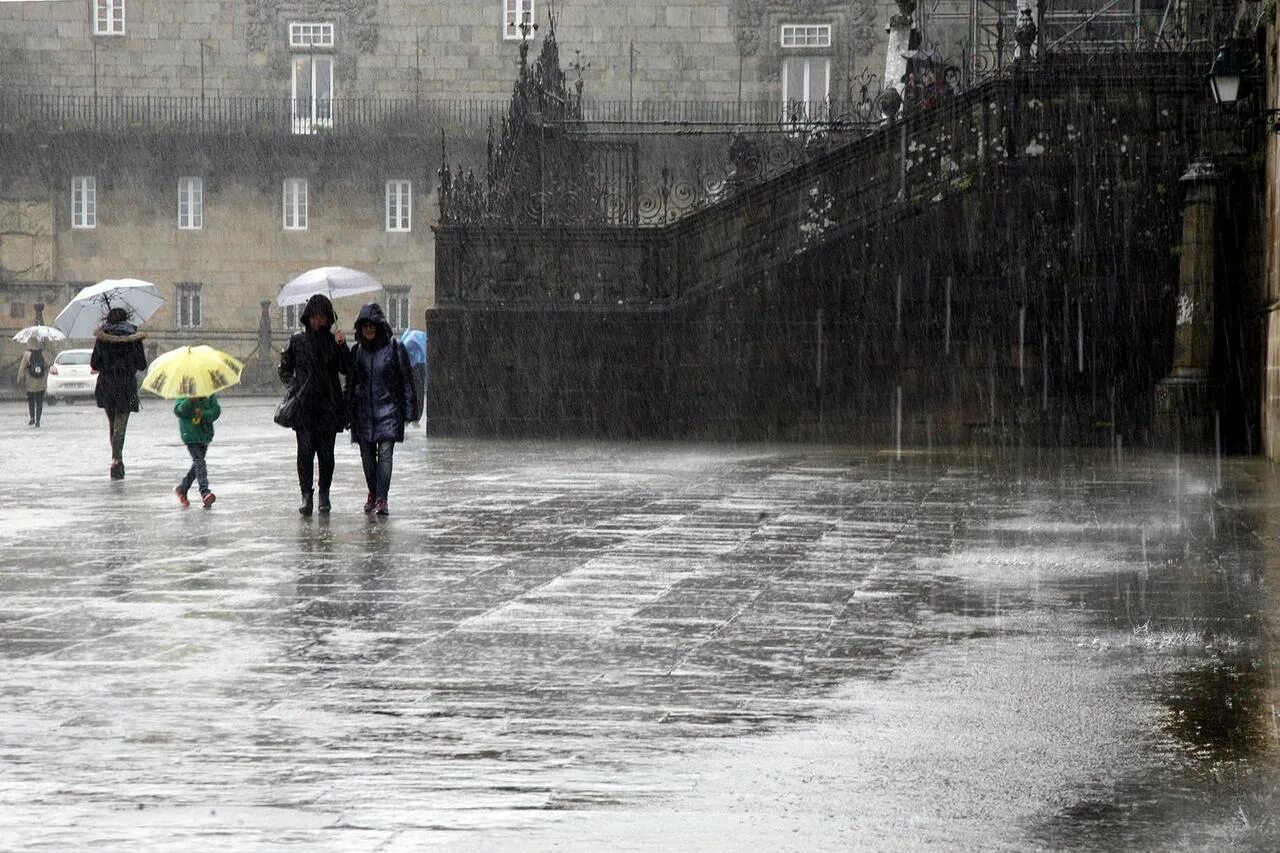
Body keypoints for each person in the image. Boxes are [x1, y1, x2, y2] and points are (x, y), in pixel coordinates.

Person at [278, 294, 349, 516]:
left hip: (328, 406)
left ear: (328, 318)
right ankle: (306, 494)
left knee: (326, 455)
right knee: (305, 453)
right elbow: (284, 369)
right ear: (308, 317)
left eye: (322, 317)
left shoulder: (333, 341)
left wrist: (343, 346)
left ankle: (324, 493)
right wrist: (294, 386)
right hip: (305, 407)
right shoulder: (297, 341)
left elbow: (346, 368)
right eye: (314, 316)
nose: (318, 321)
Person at [347, 303, 417, 516]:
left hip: (388, 411)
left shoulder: (394, 349)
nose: (368, 330)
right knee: (367, 458)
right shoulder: (357, 352)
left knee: (385, 456)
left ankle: (382, 498)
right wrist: (348, 411)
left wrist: (409, 411)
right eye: (365, 326)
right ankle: (372, 491)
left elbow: (406, 381)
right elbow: (350, 383)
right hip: (364, 413)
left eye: (372, 326)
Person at [91, 307, 148, 479]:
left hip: (107, 384)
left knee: (113, 423)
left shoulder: (102, 338)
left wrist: (109, 361)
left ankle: (116, 460)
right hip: (125, 384)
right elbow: (141, 364)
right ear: (126, 319)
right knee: (120, 424)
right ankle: (116, 459)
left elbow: (94, 363)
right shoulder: (133, 338)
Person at [173, 394, 221, 508]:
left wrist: (203, 414)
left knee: (198, 464)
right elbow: (179, 411)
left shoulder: (209, 394)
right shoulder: (184, 393)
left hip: (204, 435)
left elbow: (216, 411)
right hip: (190, 434)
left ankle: (183, 488)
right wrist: (190, 400)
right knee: (199, 461)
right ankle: (205, 491)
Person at [17, 343, 47, 427]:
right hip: (40, 381)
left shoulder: (27, 354)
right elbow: (47, 365)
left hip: (30, 381)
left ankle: (32, 417)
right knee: (39, 401)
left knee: (31, 399)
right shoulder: (44, 353)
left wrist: (19, 378)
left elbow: (22, 367)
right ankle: (38, 420)